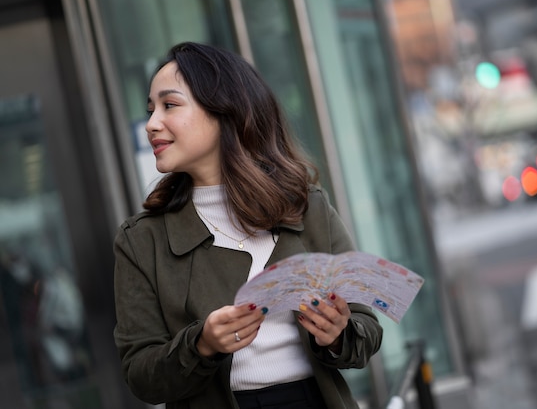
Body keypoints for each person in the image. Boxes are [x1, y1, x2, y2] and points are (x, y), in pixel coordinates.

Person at [113, 42, 383, 409]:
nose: (151, 124)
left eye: (169, 105)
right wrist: (202, 344)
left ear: (224, 111)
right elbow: (141, 377)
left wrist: (337, 334)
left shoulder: (306, 205)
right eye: (150, 110)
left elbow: (367, 329)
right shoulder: (141, 241)